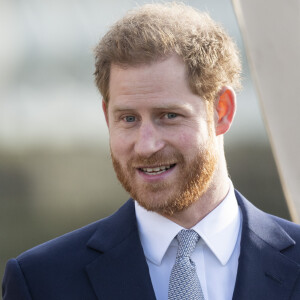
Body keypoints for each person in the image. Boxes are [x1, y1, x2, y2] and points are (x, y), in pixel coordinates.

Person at [3, 2, 300, 300]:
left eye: (169, 116)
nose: (146, 145)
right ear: (108, 117)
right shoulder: (41, 282)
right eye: (129, 119)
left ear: (221, 111)